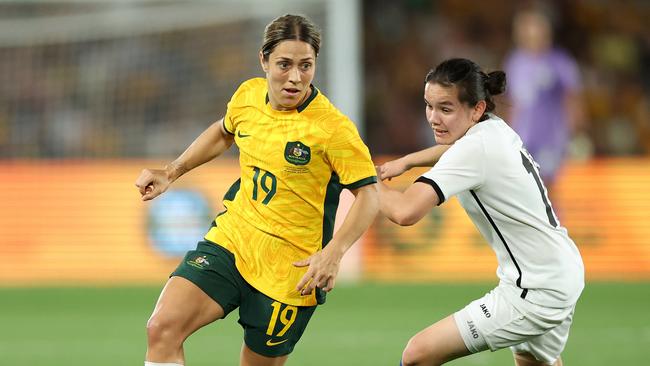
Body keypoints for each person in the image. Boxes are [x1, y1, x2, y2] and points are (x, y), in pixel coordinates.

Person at [135, 14, 379, 366]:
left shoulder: (333, 128)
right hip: (234, 240)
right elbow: (223, 131)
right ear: (263, 60)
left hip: (291, 270)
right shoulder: (248, 95)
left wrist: (334, 252)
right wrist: (172, 171)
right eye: (284, 64)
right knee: (161, 328)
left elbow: (369, 195)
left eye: (305, 66)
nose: (295, 77)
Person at [376, 58, 584, 366]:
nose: (433, 118)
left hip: (535, 289)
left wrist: (360, 177)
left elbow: (405, 212)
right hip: (562, 271)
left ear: (477, 109)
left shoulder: (474, 150)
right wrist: (407, 161)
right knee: (534, 362)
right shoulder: (494, 129)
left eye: (445, 109)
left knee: (417, 355)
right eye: (428, 106)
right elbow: (457, 149)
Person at [504, 7, 585, 190]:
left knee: (546, 188)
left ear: (545, 31)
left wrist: (576, 133)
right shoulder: (515, 61)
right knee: (524, 188)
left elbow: (572, 99)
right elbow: (512, 102)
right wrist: (508, 132)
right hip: (522, 137)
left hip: (551, 137)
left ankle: (553, 219)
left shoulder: (560, 62)